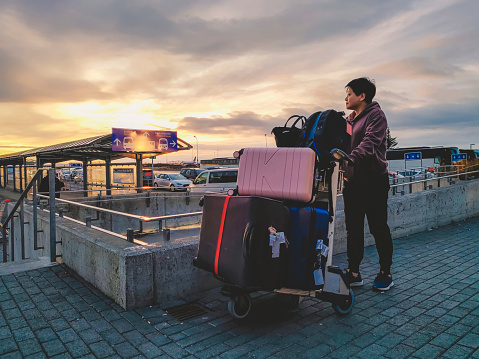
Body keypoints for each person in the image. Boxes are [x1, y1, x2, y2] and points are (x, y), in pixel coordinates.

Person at [342, 77, 394, 291]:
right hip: (352, 182)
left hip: (374, 182)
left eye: (349, 93)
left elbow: (371, 142)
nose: (346, 98)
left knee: (378, 228)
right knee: (353, 229)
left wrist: (351, 158)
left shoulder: (376, 115)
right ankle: (353, 272)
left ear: (362, 96)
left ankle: (385, 272)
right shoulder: (348, 120)